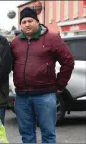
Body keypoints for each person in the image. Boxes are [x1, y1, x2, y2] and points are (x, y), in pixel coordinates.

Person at [11, 7, 75, 143]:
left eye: (30, 21)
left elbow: (68, 61)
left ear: (37, 21)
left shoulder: (52, 39)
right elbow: (11, 64)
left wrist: (60, 84)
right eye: (24, 22)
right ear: (20, 25)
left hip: (45, 96)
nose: (27, 24)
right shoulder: (15, 42)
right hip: (22, 96)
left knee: (48, 135)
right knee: (27, 136)